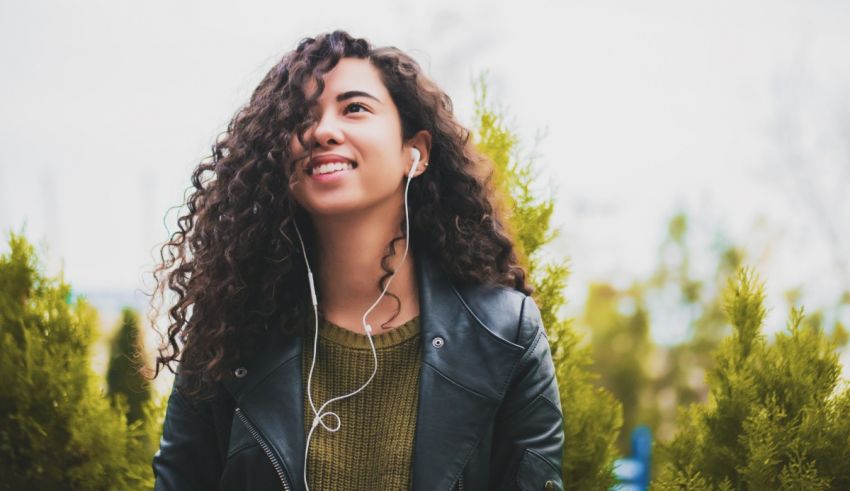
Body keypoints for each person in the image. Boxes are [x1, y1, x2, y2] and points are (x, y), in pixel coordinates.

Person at [150, 30, 565, 491]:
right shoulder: (229, 331)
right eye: (302, 117)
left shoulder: (505, 333)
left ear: (417, 153)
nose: (322, 130)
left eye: (355, 108)